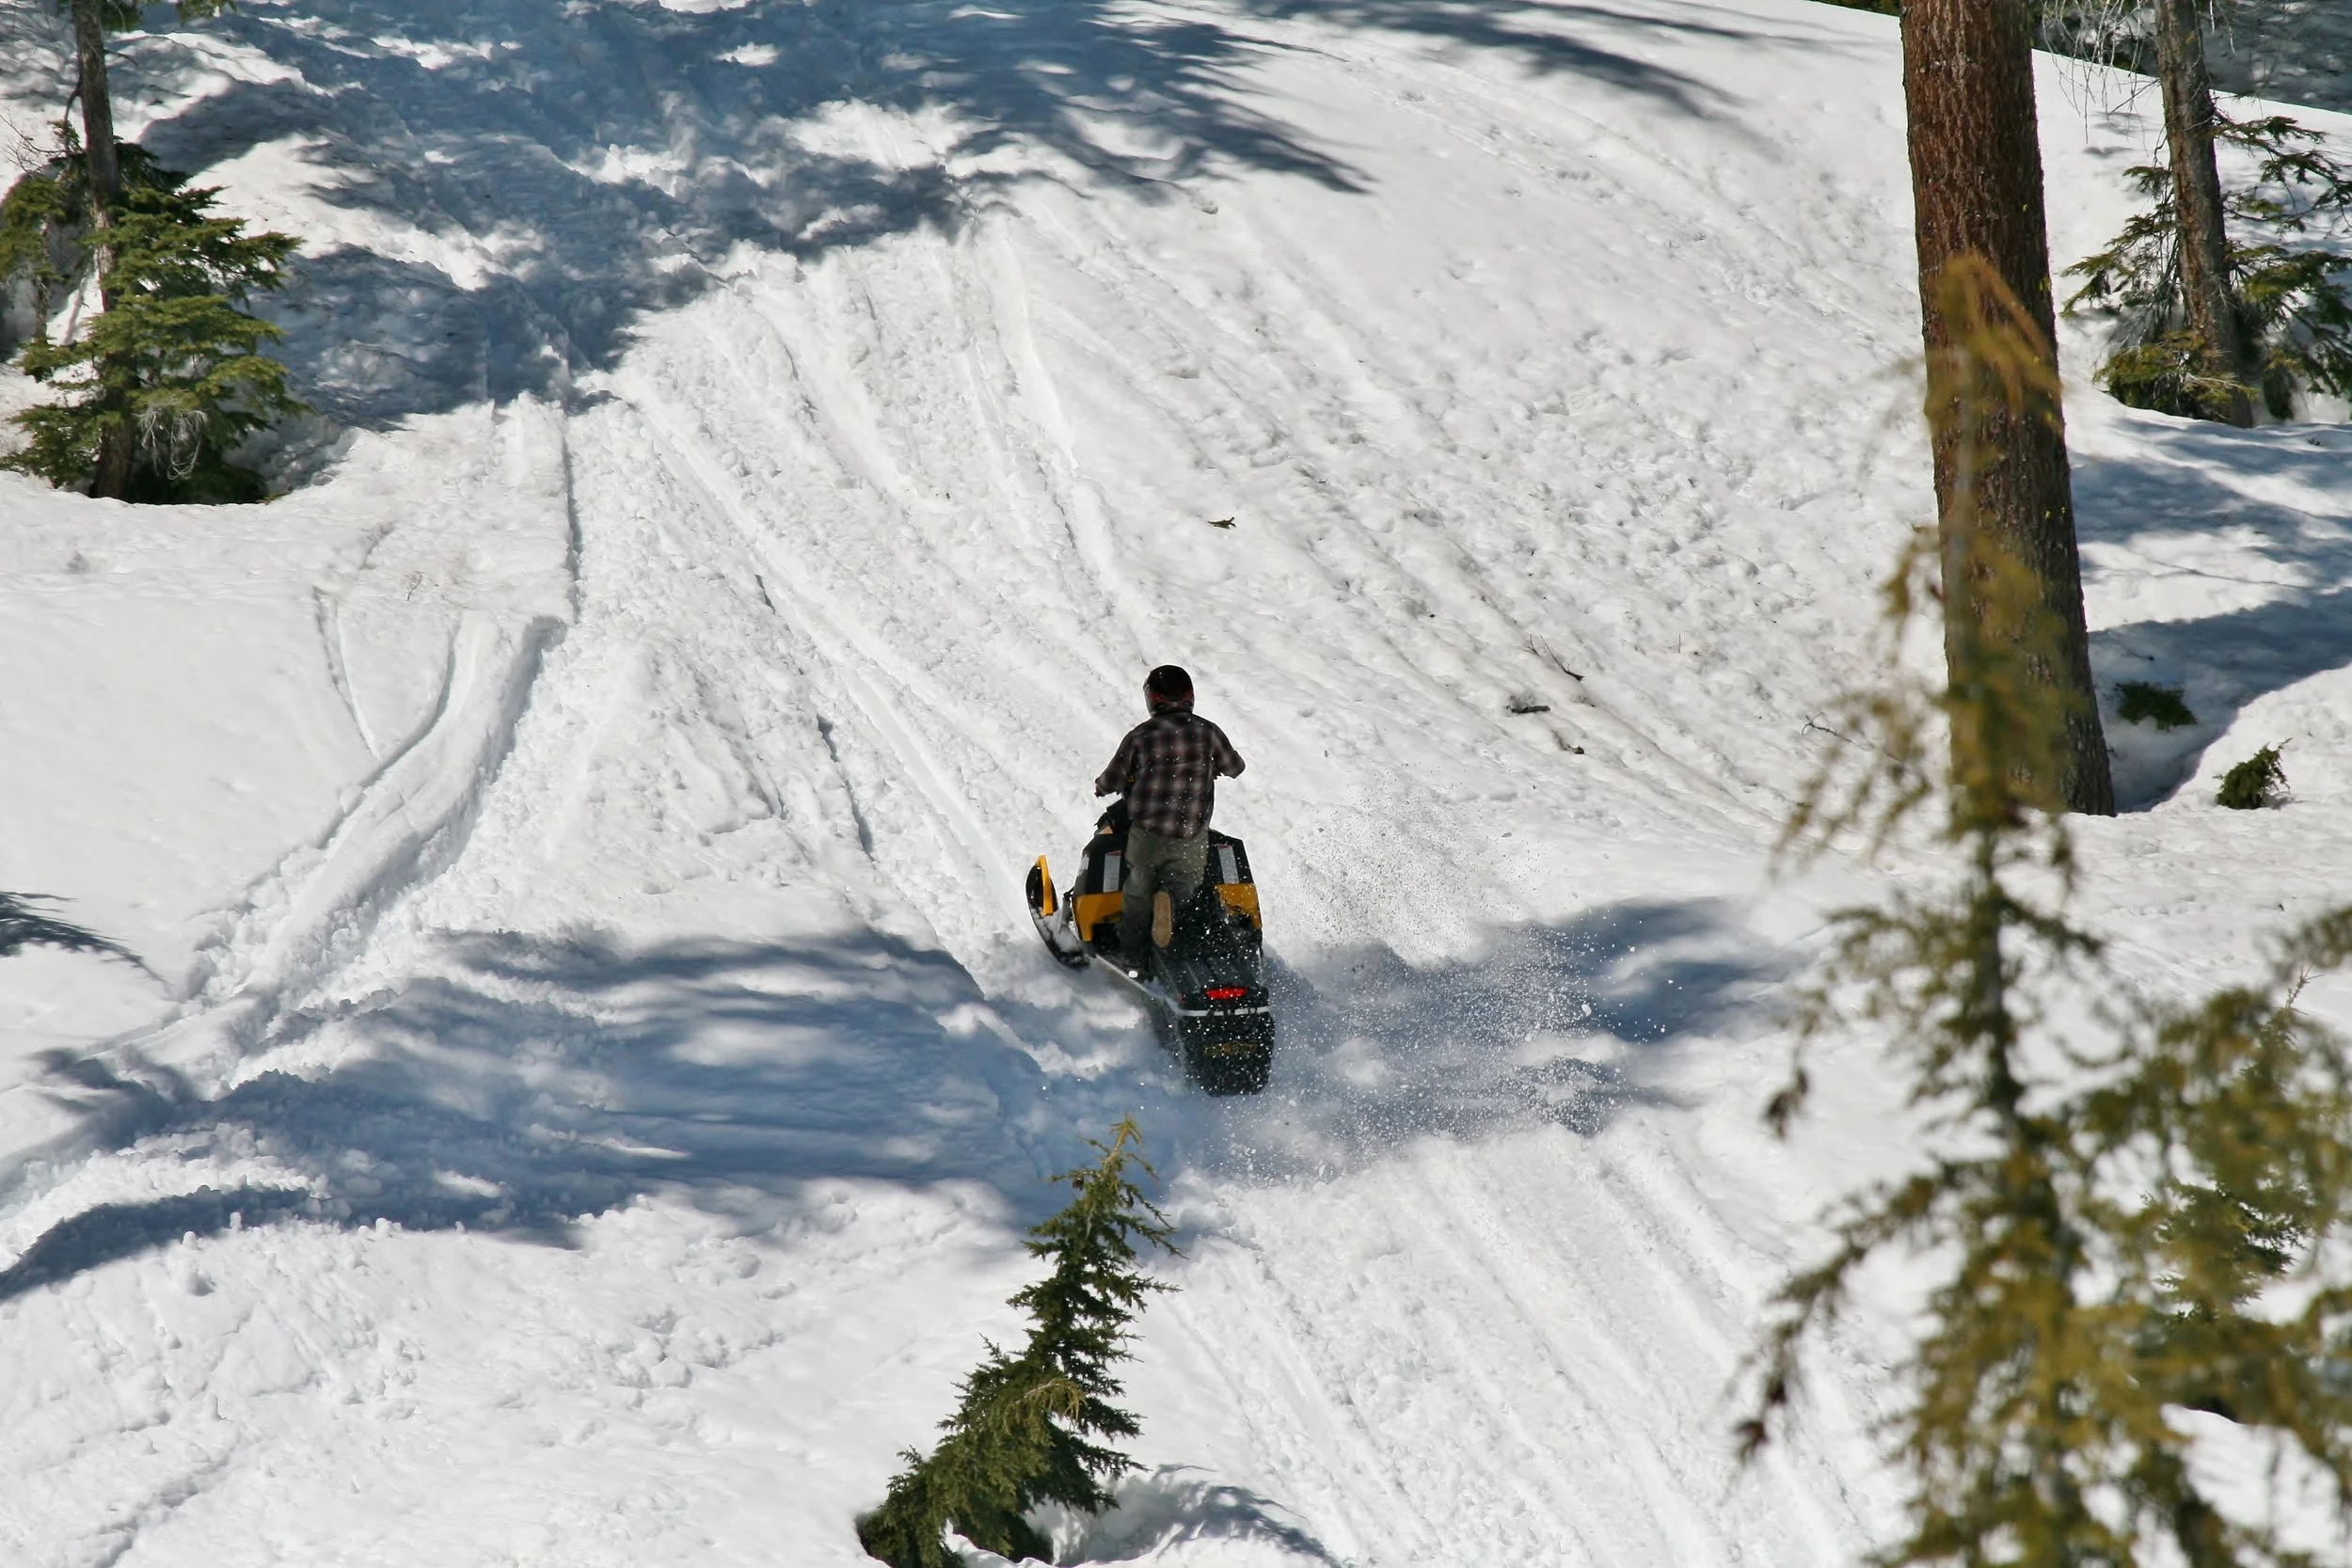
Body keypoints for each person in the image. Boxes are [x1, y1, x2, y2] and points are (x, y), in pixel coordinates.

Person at [1093, 664, 1246, 969]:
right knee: (1185, 883)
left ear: (1152, 699)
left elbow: (1113, 777)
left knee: (1137, 890)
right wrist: (1212, 765)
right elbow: (1235, 767)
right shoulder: (1207, 731)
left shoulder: (1140, 736)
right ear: (1190, 697)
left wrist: (1101, 786)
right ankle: (1171, 904)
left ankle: (1134, 955)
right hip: (1192, 833)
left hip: (1147, 833)